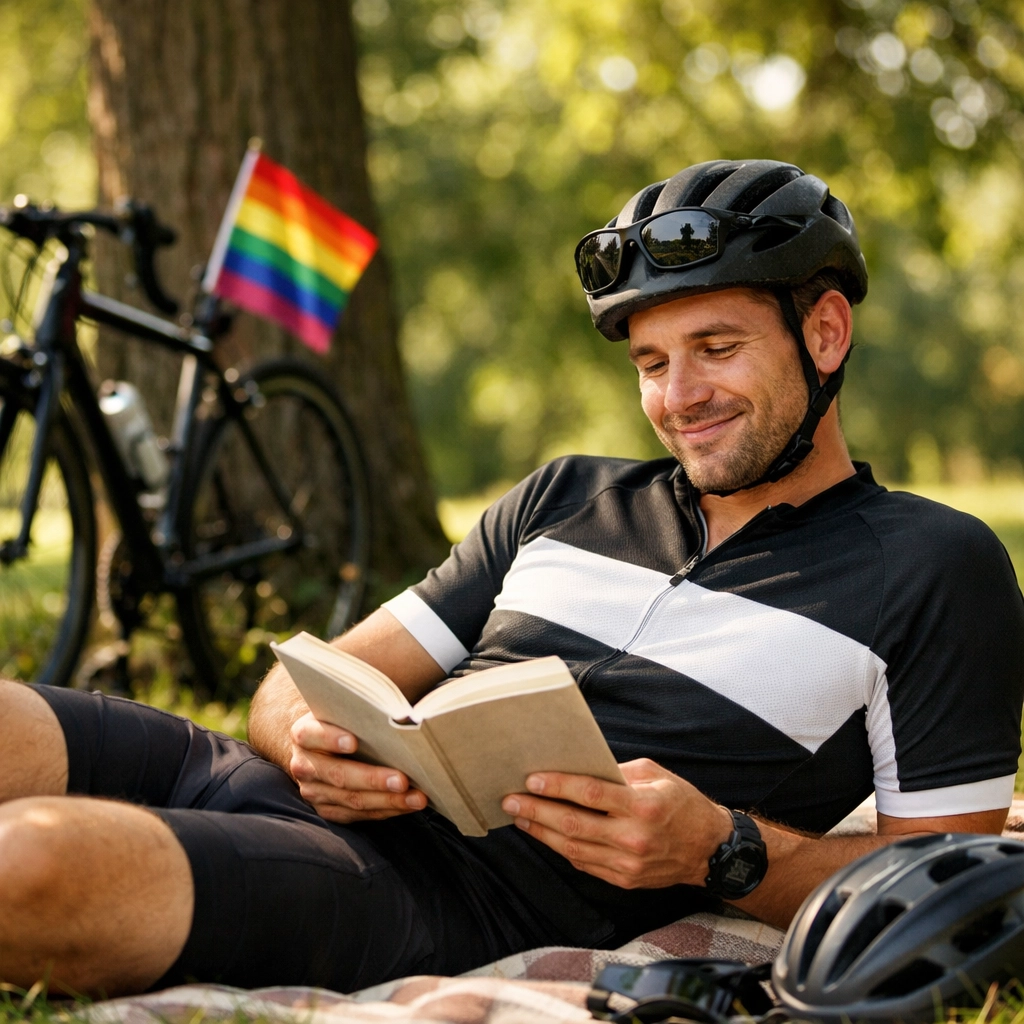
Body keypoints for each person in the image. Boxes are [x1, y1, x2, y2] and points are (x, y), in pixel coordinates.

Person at [1, 159, 1022, 999]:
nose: (678, 396)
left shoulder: (933, 566)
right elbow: (295, 683)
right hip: (256, 781)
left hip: (420, 892)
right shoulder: (565, 494)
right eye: (652, 363)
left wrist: (723, 851)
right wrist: (302, 735)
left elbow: (947, 886)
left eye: (716, 348)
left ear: (825, 333)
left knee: (26, 864)